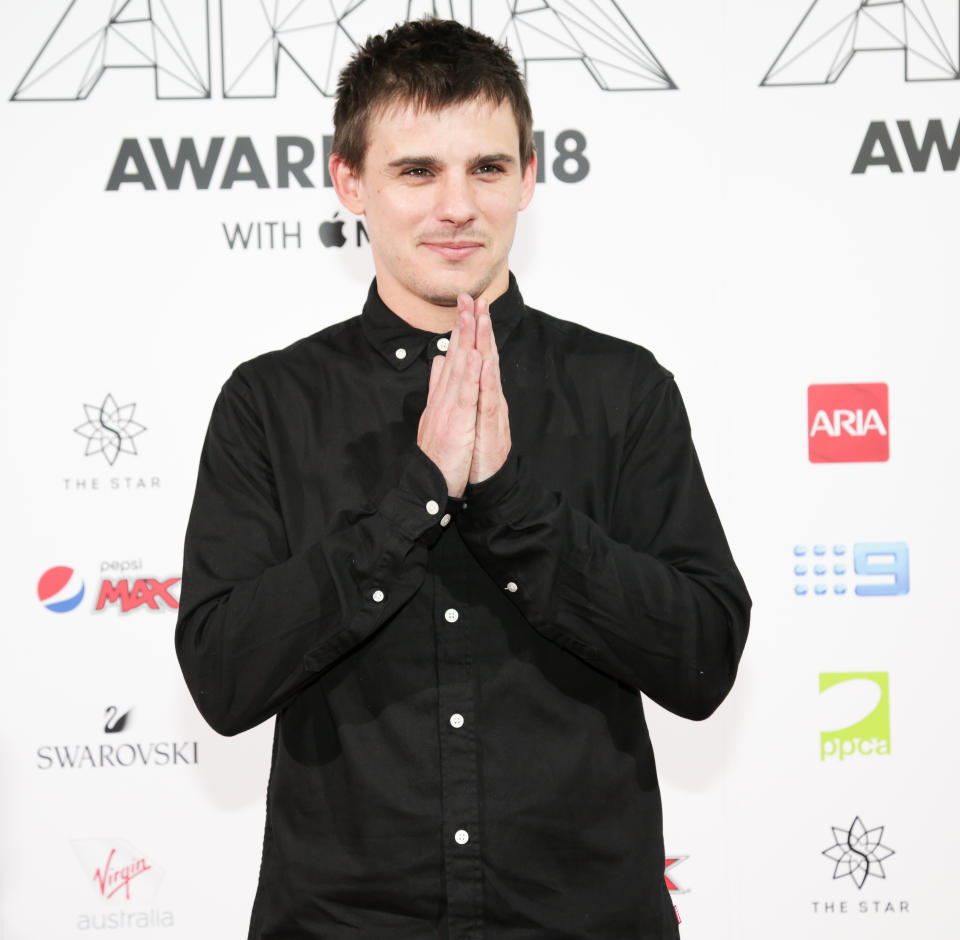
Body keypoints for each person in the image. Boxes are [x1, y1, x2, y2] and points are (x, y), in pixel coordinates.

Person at [176, 17, 750, 940]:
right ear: (349, 181)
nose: (457, 206)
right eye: (417, 171)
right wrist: (419, 494)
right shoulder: (268, 403)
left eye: (486, 168)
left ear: (530, 175)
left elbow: (703, 659)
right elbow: (223, 678)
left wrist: (511, 502)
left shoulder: (622, 389)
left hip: (584, 919)